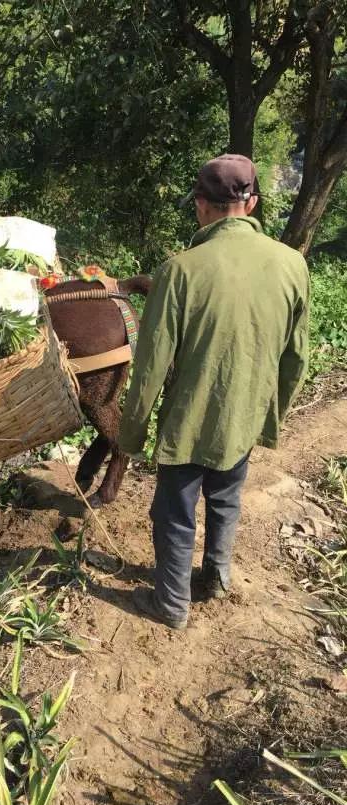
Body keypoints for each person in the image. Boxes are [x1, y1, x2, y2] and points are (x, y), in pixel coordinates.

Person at [118, 154, 310, 630]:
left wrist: (132, 435)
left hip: (189, 419)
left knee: (174, 511)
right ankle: (216, 577)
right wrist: (269, 415)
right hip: (244, 415)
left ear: (201, 205)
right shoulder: (292, 265)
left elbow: (151, 366)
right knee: (226, 496)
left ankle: (170, 604)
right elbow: (296, 359)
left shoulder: (179, 270)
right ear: (253, 203)